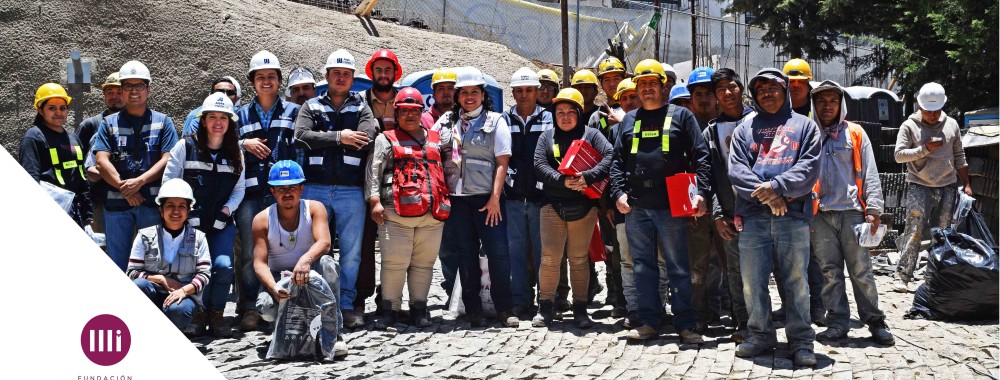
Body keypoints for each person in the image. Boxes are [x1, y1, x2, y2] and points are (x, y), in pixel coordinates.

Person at [609, 59, 710, 343]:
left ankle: (685, 324)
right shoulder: (629, 120)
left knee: (678, 266)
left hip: (672, 204)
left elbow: (701, 156)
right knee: (642, 266)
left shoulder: (681, 116)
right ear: (637, 88)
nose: (648, 89)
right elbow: (617, 162)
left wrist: (701, 192)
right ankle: (649, 322)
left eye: (653, 83)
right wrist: (618, 193)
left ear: (663, 86)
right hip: (638, 205)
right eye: (642, 84)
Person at [728, 68, 821, 366]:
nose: (767, 92)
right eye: (761, 88)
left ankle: (801, 340)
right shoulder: (745, 128)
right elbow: (737, 170)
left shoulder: (805, 126)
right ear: (754, 95)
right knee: (751, 282)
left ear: (785, 91)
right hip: (753, 218)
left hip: (792, 216)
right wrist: (767, 193)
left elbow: (809, 167)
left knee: (797, 281)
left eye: (773, 87)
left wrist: (779, 187)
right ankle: (760, 335)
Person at [294, 49, 378, 328]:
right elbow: (302, 136)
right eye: (336, 73)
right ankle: (317, 300)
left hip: (350, 191)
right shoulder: (311, 106)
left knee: (352, 252)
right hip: (314, 189)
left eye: (346, 74)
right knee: (313, 248)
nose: (341, 78)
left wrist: (325, 139)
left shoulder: (362, 108)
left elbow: (367, 137)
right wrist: (339, 137)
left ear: (353, 78)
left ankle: (346, 304)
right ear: (327, 76)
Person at [808, 80, 894, 345]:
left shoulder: (855, 133)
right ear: (814, 104)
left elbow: (869, 171)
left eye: (833, 101)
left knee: (861, 270)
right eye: (821, 101)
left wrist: (874, 209)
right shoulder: (807, 135)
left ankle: (875, 321)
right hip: (819, 215)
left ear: (841, 104)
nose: (827, 106)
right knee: (829, 272)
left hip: (852, 214)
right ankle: (837, 322)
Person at [433, 66, 519, 328]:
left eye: (475, 92)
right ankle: (473, 310)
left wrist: (494, 199)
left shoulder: (496, 121)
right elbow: (432, 147)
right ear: (458, 96)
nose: (470, 97)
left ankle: (505, 308)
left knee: (498, 253)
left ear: (483, 95)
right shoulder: (447, 122)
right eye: (465, 92)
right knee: (465, 254)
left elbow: (502, 162)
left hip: (487, 199)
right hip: (457, 200)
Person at [163, 92, 246, 337]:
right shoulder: (185, 147)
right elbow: (169, 182)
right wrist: (183, 213)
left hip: (221, 222)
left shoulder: (236, 152)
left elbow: (239, 188)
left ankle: (216, 312)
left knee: (222, 266)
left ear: (230, 121)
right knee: (193, 268)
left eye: (223, 117)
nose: (218, 122)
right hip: (190, 223)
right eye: (212, 117)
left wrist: (227, 210)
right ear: (203, 119)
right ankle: (197, 313)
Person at [366, 88, 450, 329]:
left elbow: (449, 170)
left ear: (421, 112)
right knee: (394, 263)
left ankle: (419, 308)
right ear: (397, 112)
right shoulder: (385, 139)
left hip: (432, 215)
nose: (410, 116)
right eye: (405, 111)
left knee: (424, 264)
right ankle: (389, 309)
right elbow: (374, 172)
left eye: (415, 111)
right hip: (395, 213)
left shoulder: (436, 139)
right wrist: (375, 201)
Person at [531, 88, 613, 329]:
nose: (565, 117)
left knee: (578, 259)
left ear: (579, 113)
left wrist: (588, 177)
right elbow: (538, 164)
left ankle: (580, 308)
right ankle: (546, 307)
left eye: (570, 112)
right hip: (552, 205)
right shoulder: (546, 137)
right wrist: (560, 180)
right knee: (549, 258)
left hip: (583, 208)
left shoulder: (592, 134)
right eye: (560, 113)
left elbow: (610, 155)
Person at [233, 50, 301, 331]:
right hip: (251, 193)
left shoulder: (293, 112)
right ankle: (249, 306)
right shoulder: (240, 115)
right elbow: (224, 143)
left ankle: (282, 303)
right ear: (252, 82)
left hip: (284, 193)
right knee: (250, 252)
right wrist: (242, 143)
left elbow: (300, 151)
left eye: (271, 77)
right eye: (260, 77)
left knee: (285, 249)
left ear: (279, 81)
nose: (266, 82)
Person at [252, 160, 347, 357]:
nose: (287, 193)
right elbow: (259, 263)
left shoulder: (314, 208)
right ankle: (283, 331)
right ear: (272, 192)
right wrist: (273, 287)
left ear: (301, 189)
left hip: (312, 274)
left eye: (292, 187)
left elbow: (325, 243)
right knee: (266, 308)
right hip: (280, 277)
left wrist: (305, 261)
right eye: (281, 188)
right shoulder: (262, 219)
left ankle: (335, 333)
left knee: (328, 263)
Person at [93, 60, 180, 271]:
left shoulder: (163, 122)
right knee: (117, 262)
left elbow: (168, 158)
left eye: (139, 85)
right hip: (116, 206)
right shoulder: (108, 123)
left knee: (152, 261)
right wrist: (126, 188)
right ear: (121, 90)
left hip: (151, 204)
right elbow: (101, 161)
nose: (134, 91)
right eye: (128, 86)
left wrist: (139, 181)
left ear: (148, 89)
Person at [893, 82, 972, 292]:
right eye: (929, 111)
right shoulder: (909, 126)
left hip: (947, 185)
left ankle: (936, 276)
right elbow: (899, 155)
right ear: (920, 107)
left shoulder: (952, 125)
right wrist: (924, 149)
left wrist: (967, 183)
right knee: (914, 231)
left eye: (936, 111)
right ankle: (903, 276)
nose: (933, 115)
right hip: (919, 185)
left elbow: (959, 156)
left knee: (943, 233)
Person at [702, 68, 754, 342]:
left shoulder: (760, 121)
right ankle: (742, 321)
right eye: (720, 89)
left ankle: (774, 321)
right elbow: (707, 177)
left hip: (764, 211)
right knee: (735, 270)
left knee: (774, 268)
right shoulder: (711, 132)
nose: (727, 93)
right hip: (732, 212)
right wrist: (718, 214)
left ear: (741, 88)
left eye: (731, 86)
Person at [127, 178, 211, 331]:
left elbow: (204, 274)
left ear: (188, 211)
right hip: (153, 292)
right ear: (161, 210)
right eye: (170, 206)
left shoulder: (199, 238)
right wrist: (160, 279)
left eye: (181, 206)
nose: (176, 211)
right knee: (138, 286)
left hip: (183, 296)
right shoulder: (144, 236)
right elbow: (132, 272)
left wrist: (184, 290)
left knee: (178, 312)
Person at [357, 48, 404, 316]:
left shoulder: (406, 100)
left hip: (400, 183)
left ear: (394, 73)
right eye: (379, 70)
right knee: (364, 245)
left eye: (388, 70)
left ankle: (391, 300)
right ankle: (361, 298)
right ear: (371, 73)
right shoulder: (361, 102)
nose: (383, 75)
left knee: (396, 245)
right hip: (367, 179)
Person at [503, 67, 552, 319]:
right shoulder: (503, 120)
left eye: (529, 90)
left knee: (544, 253)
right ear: (512, 92)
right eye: (519, 91)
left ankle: (546, 302)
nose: (524, 95)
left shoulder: (549, 119)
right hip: (512, 198)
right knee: (516, 251)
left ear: (537, 91)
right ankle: (520, 301)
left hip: (541, 199)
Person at [684, 66, 726, 332]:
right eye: (698, 93)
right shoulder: (683, 125)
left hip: (724, 206)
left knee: (729, 263)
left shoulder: (728, 124)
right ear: (691, 97)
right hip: (695, 208)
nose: (704, 98)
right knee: (696, 265)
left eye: (709, 93)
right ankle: (699, 314)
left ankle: (733, 312)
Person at [20, 83, 92, 227]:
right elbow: (30, 178)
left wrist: (88, 215)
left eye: (62, 108)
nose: (58, 112)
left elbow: (81, 177)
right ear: (40, 110)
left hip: (75, 212)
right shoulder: (33, 137)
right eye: (52, 108)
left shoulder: (73, 138)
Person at [79, 72, 125, 234]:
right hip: (98, 204)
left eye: (119, 92)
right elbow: (78, 163)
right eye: (110, 92)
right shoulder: (90, 125)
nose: (114, 96)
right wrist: (87, 172)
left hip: (128, 203)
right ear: (104, 94)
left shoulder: (136, 124)